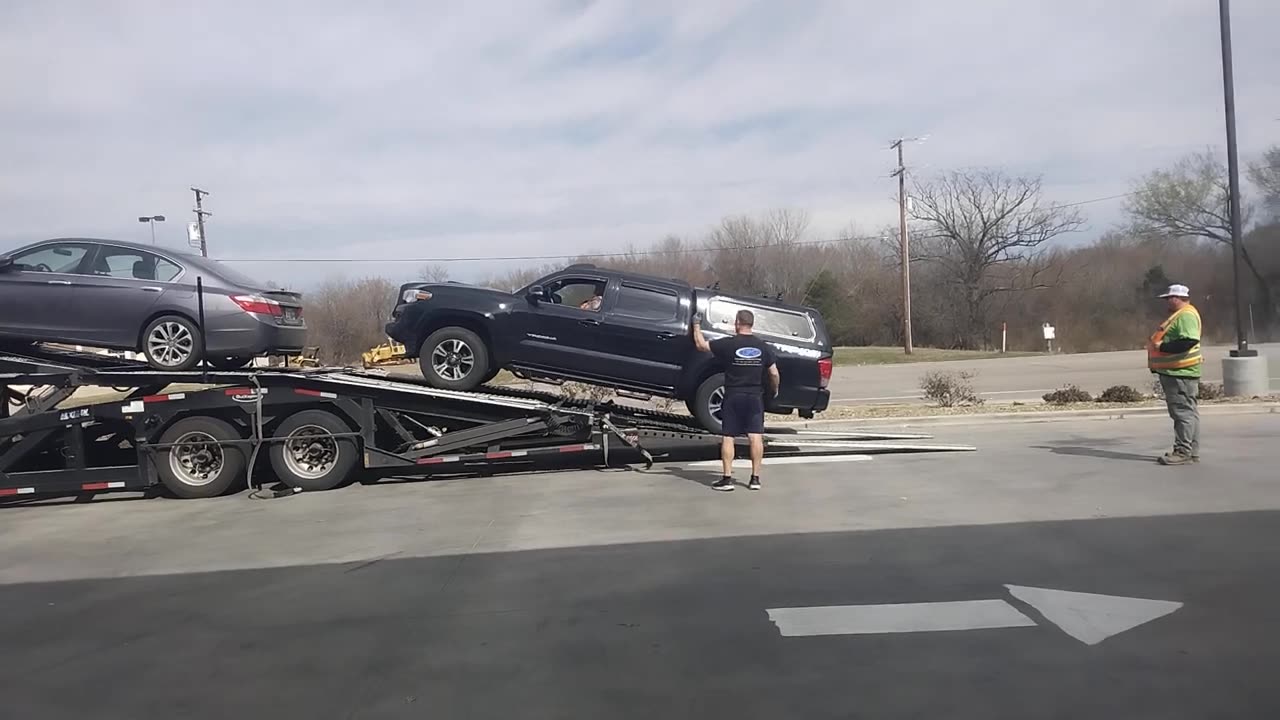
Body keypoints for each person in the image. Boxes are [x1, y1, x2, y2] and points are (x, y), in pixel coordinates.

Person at [692, 309, 780, 491]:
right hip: (755, 396)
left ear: (738, 323)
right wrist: (775, 389)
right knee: (755, 436)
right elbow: (774, 373)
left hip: (733, 395)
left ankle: (727, 479)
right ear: (752, 324)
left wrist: (696, 324)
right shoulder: (763, 346)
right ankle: (755, 479)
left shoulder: (728, 344)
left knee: (728, 436)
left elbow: (701, 345)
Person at [1146, 284, 1202, 465]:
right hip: (1179, 372)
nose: (1167, 302)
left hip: (1180, 372)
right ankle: (1190, 451)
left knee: (1182, 412)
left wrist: (1162, 347)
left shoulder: (1185, 316)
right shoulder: (1183, 314)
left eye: (1168, 298)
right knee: (1188, 412)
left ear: (1176, 298)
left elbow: (1189, 341)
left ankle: (1182, 451)